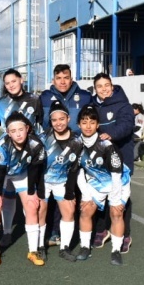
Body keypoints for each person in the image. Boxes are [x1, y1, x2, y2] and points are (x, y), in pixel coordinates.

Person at [40, 64, 91, 246]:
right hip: (53, 151)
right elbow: (40, 123)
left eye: (66, 77)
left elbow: (91, 120)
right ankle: (52, 232)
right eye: (59, 78)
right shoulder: (45, 97)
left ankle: (76, 233)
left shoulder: (85, 96)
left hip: (78, 149)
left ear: (71, 78)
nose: (62, 81)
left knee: (74, 193)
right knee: (51, 198)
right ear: (53, 79)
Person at [73, 105, 131, 266]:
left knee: (116, 212)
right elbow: (78, 172)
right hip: (96, 181)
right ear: (79, 125)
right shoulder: (76, 144)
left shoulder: (106, 145)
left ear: (98, 125)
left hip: (118, 181)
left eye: (92, 122)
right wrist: (85, 194)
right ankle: (85, 247)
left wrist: (115, 198)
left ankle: (116, 250)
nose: (88, 126)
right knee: (85, 209)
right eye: (84, 122)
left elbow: (116, 174)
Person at [0, 111, 47, 266]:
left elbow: (35, 169)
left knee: (31, 205)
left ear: (28, 128)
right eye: (13, 131)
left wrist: (31, 192)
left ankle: (33, 251)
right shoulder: (2, 145)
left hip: (21, 172)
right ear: (8, 132)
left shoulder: (37, 145)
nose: (18, 134)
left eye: (21, 130)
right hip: (0, 172)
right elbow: (1, 171)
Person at [91, 73, 135, 254]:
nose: (103, 89)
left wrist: (111, 134)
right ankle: (102, 229)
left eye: (106, 85)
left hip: (122, 159)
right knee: (101, 193)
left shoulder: (123, 104)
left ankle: (124, 234)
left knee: (121, 198)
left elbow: (126, 126)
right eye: (99, 86)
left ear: (112, 85)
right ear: (95, 89)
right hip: (101, 160)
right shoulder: (92, 106)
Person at [40, 101, 82, 261]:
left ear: (68, 119)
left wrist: (70, 190)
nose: (58, 123)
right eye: (54, 120)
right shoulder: (44, 138)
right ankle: (39, 246)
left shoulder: (76, 141)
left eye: (62, 119)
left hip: (62, 181)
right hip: (44, 180)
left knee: (69, 211)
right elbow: (36, 164)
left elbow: (74, 167)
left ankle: (65, 247)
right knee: (40, 211)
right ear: (50, 121)